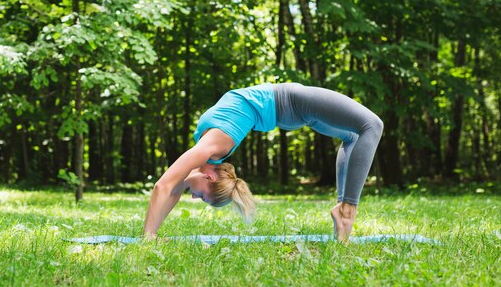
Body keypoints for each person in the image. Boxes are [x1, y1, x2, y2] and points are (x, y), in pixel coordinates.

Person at [143, 82, 384, 242]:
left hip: (292, 100)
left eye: (203, 197)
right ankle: (343, 211)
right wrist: (153, 233)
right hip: (289, 110)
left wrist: (148, 236)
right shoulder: (207, 156)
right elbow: (174, 190)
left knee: (368, 127)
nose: (195, 197)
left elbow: (164, 186)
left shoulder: (212, 148)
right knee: (356, 133)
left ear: (210, 177)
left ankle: (346, 210)